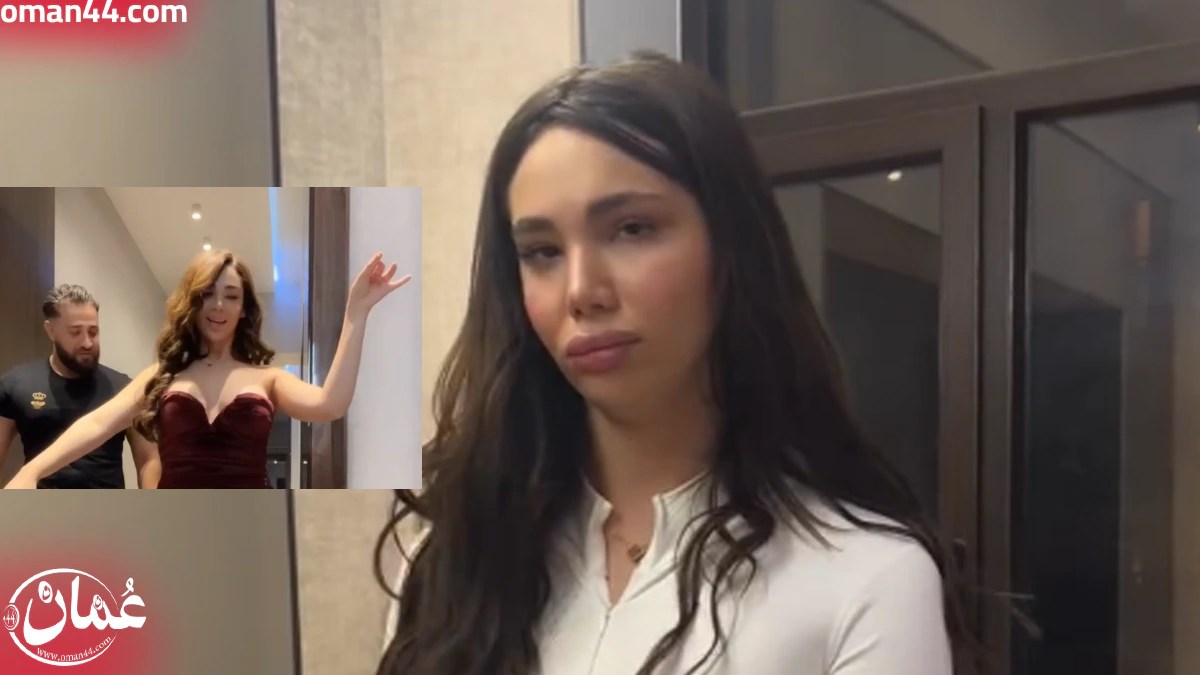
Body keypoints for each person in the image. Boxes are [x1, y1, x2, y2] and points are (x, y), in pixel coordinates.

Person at [375, 52, 977, 675]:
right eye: (542, 251)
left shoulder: (867, 578)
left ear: (731, 247)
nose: (581, 290)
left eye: (632, 229)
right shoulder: (452, 566)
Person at [4, 248, 410, 490]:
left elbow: (330, 404)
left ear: (244, 308)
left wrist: (356, 314)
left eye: (231, 296)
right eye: (207, 294)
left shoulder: (268, 378)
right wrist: (31, 472)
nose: (218, 306)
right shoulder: (162, 376)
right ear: (192, 302)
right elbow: (96, 425)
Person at [0, 284, 159, 489]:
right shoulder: (16, 384)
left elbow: (149, 459)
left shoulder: (123, 389)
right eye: (75, 332)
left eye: (93, 332)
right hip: (41, 505)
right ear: (51, 330)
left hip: (107, 506)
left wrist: (150, 503)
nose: (87, 343)